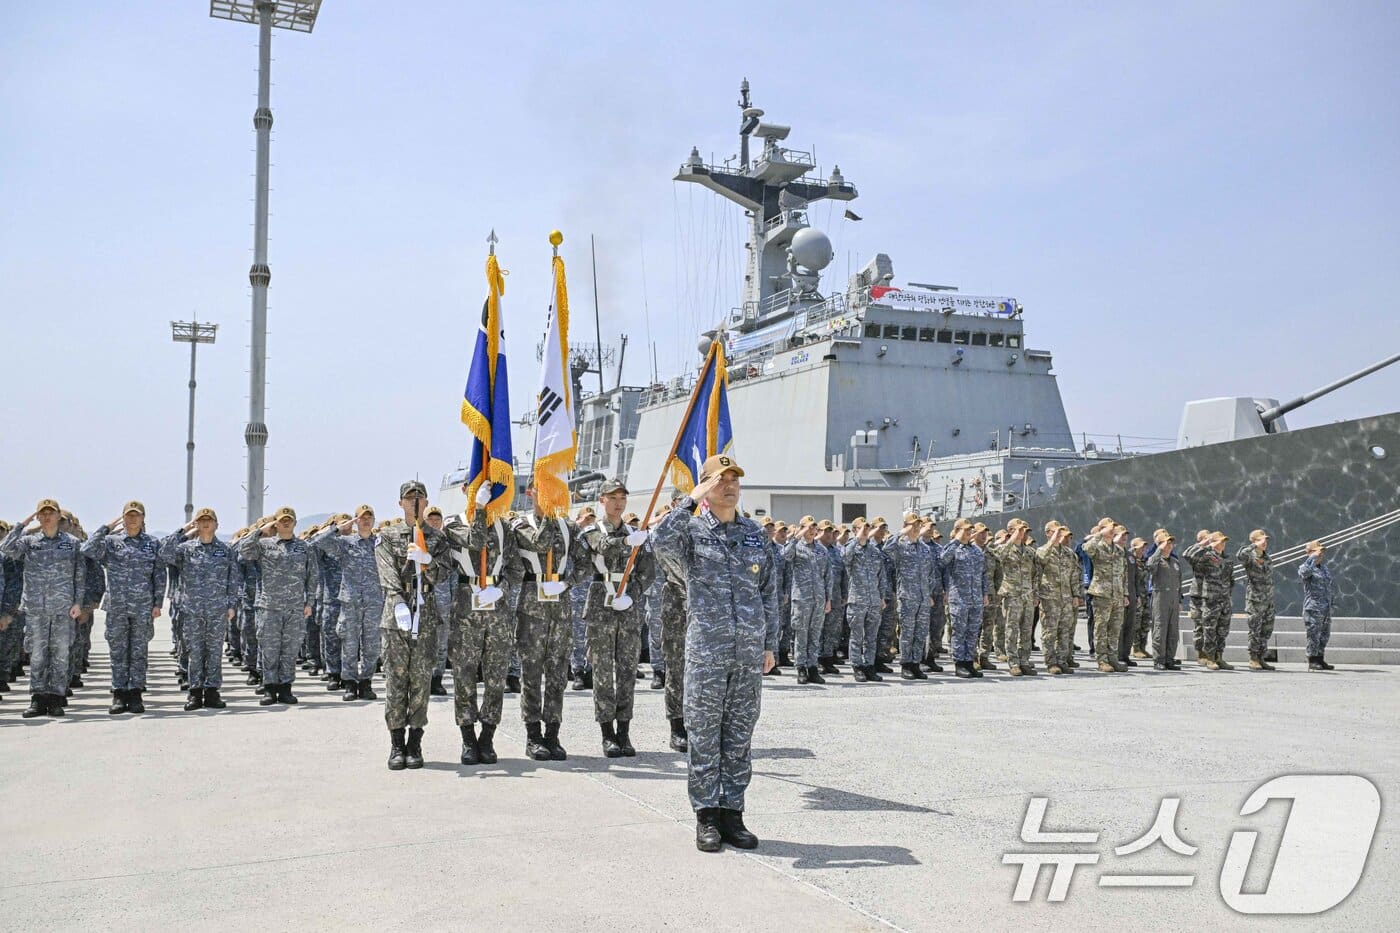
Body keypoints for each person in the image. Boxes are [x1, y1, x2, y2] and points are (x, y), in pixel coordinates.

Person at [653, 454, 778, 853]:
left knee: (739, 736)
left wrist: (770, 643)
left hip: (747, 655)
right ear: (706, 486)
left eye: (734, 479)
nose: (730, 485)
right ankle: (706, 815)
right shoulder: (689, 532)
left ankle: (733, 813)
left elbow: (769, 593)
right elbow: (659, 542)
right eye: (720, 480)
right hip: (707, 652)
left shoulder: (755, 535)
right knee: (704, 734)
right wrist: (691, 499)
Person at [442, 481, 523, 765]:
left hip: (496, 606)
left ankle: (487, 737)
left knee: (496, 675)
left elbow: (516, 566)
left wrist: (501, 589)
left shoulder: (504, 527)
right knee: (464, 675)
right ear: (466, 490)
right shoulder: (453, 524)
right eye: (475, 487)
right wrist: (478, 507)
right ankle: (467, 738)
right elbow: (475, 541)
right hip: (467, 603)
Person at [376, 481, 451, 770]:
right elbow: (386, 571)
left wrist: (428, 560)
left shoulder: (437, 538)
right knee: (396, 682)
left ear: (427, 501)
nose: (415, 502)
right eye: (409, 498)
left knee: (420, 682)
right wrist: (397, 601)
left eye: (419, 498)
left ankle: (415, 742)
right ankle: (396, 744)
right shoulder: (387, 535)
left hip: (426, 614)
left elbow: (443, 573)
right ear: (400, 503)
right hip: (397, 616)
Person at [512, 478, 586, 761]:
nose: (550, 496)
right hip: (532, 608)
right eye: (544, 491)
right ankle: (533, 736)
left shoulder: (570, 527)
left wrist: (568, 583)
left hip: (561, 607)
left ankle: (553, 734)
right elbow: (539, 544)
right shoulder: (521, 525)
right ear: (531, 492)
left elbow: (584, 562)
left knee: (557, 675)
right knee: (531, 674)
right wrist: (550, 518)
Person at [580, 479, 654, 757]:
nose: (618, 502)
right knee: (602, 672)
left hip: (629, 608)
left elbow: (648, 570)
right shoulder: (592, 531)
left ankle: (624, 731)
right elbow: (603, 546)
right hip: (601, 604)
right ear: (602, 500)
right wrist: (627, 541)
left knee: (626, 671)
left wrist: (634, 594)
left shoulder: (637, 533)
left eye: (622, 497)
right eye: (612, 498)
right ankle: (607, 733)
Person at [1, 499, 85, 718]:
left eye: (51, 513)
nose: (47, 517)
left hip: (63, 608)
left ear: (58, 516)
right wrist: (23, 524)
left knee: (60, 654)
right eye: (42, 514)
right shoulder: (29, 542)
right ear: (38, 517)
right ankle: (38, 698)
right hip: (36, 608)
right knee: (37, 655)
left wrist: (78, 602)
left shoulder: (72, 543)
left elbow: (79, 575)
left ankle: (56, 698)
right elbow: (6, 547)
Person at [83, 502, 166, 714]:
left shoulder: (152, 544)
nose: (132, 519)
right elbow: (88, 549)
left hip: (142, 606)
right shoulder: (111, 542)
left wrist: (157, 603)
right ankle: (119, 693)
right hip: (117, 605)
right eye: (128, 515)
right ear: (122, 518)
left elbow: (159, 575)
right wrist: (106, 528)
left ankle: (136, 693)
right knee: (118, 651)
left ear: (143, 518)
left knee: (138, 651)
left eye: (136, 516)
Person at [160, 508, 242, 710]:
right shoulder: (185, 549)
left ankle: (212, 691)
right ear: (196, 525)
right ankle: (195, 693)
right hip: (192, 610)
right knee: (194, 652)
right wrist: (183, 530)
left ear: (216, 525)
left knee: (214, 652)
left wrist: (232, 605)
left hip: (217, 609)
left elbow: (233, 580)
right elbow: (163, 552)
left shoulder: (226, 551)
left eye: (209, 520)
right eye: (201, 520)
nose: (205, 524)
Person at [238, 507, 318, 704]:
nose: (286, 523)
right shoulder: (264, 545)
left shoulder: (304, 547)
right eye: (282, 520)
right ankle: (269, 687)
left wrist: (309, 603)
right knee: (269, 649)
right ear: (276, 523)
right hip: (270, 606)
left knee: (290, 650)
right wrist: (260, 530)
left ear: (295, 523)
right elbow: (243, 550)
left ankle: (285, 688)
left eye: (289, 520)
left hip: (295, 607)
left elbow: (313, 576)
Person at [312, 505, 383, 700]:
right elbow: (318, 541)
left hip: (373, 600)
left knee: (371, 645)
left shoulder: (380, 543)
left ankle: (366, 683)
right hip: (350, 601)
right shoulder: (345, 543)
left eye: (369, 517)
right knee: (349, 644)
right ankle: (350, 683)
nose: (366, 520)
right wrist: (340, 527)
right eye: (361, 517)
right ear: (356, 520)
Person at [841, 518, 890, 682]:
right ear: (854, 530)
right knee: (856, 636)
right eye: (861, 528)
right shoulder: (851, 548)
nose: (865, 531)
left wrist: (882, 596)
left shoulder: (875, 551)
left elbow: (881, 576)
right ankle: (857, 666)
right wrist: (858, 539)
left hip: (874, 600)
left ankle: (869, 666)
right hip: (857, 600)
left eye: (866, 528)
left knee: (871, 636)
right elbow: (845, 558)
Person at [783, 517, 830, 685]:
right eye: (808, 527)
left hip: (818, 599)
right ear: (802, 528)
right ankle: (801, 668)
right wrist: (796, 537)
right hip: (802, 599)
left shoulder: (822, 550)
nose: (812, 530)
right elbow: (785, 556)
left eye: (814, 527)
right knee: (801, 635)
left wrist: (828, 599)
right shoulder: (796, 547)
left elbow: (827, 576)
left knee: (815, 635)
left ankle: (812, 667)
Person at [888, 515, 934, 680]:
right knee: (907, 633)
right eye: (912, 525)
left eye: (918, 525)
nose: (916, 528)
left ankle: (916, 664)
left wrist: (929, 593)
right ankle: (905, 665)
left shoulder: (925, 549)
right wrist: (901, 532)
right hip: (907, 597)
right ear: (906, 526)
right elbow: (887, 549)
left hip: (923, 597)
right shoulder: (900, 547)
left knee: (920, 633)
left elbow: (930, 574)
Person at [940, 520, 988, 679]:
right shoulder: (953, 548)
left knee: (973, 632)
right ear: (958, 530)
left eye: (970, 530)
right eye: (965, 530)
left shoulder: (976, 550)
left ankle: (969, 661)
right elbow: (942, 560)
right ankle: (959, 664)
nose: (969, 532)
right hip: (959, 598)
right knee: (959, 632)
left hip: (976, 598)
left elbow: (983, 574)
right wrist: (956, 540)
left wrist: (985, 594)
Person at [1035, 522, 1082, 675]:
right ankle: (1051, 662)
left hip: (1066, 598)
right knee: (1050, 632)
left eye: (1060, 532)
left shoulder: (1069, 554)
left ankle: (1062, 660)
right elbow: (1040, 561)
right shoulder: (1043, 551)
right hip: (1050, 599)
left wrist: (1076, 595)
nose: (1060, 535)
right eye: (1055, 532)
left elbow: (1074, 576)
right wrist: (1053, 541)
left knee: (1064, 631)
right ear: (1048, 533)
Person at [1082, 521, 1128, 673]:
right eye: (1110, 527)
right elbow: (1086, 548)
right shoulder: (1097, 546)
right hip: (1101, 593)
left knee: (1115, 628)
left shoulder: (1119, 550)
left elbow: (1123, 574)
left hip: (1117, 594)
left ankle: (1113, 658)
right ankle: (1102, 660)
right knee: (1101, 627)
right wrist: (1100, 534)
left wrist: (1125, 594)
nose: (1113, 530)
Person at [995, 519, 1038, 676]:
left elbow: (1036, 575)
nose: (1024, 533)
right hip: (1012, 595)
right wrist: (1011, 539)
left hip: (1027, 596)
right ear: (1011, 531)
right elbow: (998, 556)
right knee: (1011, 630)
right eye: (1020, 530)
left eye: (1025, 531)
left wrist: (1035, 594)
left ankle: (1024, 661)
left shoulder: (1030, 552)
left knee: (1026, 630)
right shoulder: (1004, 549)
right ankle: (1013, 662)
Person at [1237, 530, 1276, 671]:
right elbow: (1240, 556)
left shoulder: (1267, 558)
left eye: (1265, 540)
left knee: (1266, 630)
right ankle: (1253, 658)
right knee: (1255, 629)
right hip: (1255, 600)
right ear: (1254, 541)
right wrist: (1253, 546)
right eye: (1261, 540)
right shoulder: (1250, 556)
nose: (1264, 542)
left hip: (1268, 600)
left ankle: (1261, 657)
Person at [1145, 531, 1183, 670]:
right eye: (1167, 543)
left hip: (1173, 597)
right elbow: (1149, 567)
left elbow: (1179, 582)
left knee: (1173, 629)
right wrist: (1158, 551)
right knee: (1160, 628)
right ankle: (1159, 659)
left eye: (1171, 543)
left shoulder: (1175, 562)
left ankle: (1169, 658)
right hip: (1160, 596)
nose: (1170, 545)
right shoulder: (1155, 560)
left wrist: (1179, 600)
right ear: (1160, 544)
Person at [1298, 541, 1336, 671]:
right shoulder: (1306, 567)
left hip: (1326, 608)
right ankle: (1312, 660)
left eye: (1321, 552)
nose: (1321, 555)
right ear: (1309, 553)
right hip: (1313, 607)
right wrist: (1312, 558)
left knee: (1324, 634)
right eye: (1318, 552)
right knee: (1313, 634)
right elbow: (1304, 573)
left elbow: (1329, 587)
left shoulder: (1323, 568)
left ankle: (1320, 657)